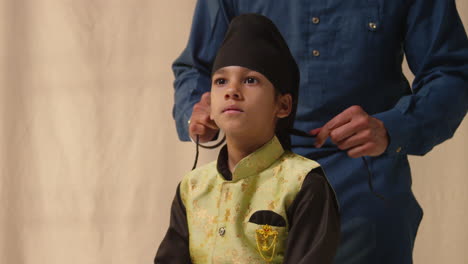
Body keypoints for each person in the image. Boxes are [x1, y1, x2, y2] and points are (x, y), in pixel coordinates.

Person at [171, 1, 468, 263]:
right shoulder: (196, 191)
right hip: (250, 189)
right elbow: (196, 67)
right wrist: (196, 112)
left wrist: (393, 127)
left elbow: (452, 72)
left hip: (363, 184)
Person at [155, 14, 340, 264]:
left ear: (283, 105)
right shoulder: (193, 187)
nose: (232, 91)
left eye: (250, 80)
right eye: (221, 81)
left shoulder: (303, 184)